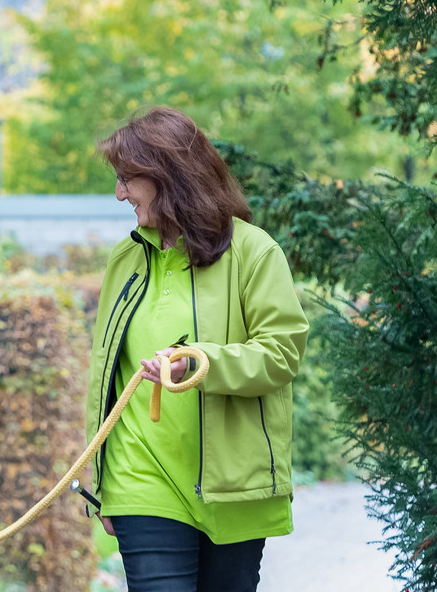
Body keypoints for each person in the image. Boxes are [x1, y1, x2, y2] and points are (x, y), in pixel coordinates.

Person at [84, 107, 308, 591]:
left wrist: (203, 362)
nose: (119, 193)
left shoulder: (254, 252)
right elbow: (106, 375)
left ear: (168, 176)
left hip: (233, 487)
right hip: (140, 480)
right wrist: (100, 485)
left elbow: (282, 353)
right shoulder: (125, 260)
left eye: (127, 179)